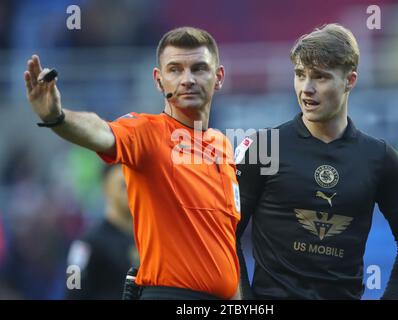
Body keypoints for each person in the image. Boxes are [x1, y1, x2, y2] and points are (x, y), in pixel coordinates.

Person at [24, 27, 241, 300]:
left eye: (199, 69)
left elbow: (225, 245)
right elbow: (100, 131)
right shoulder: (146, 133)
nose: (187, 79)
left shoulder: (223, 147)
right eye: (175, 70)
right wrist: (58, 117)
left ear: (218, 77)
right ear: (159, 80)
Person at [236, 24, 398, 300]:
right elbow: (228, 235)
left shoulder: (380, 158)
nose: (307, 88)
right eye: (300, 75)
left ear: (350, 80)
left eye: (320, 77)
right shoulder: (264, 147)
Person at [65, 165, 138, 299]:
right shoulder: (86, 243)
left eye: (135, 184)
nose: (131, 190)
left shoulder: (147, 241)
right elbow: (72, 288)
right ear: (106, 189)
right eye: (123, 185)